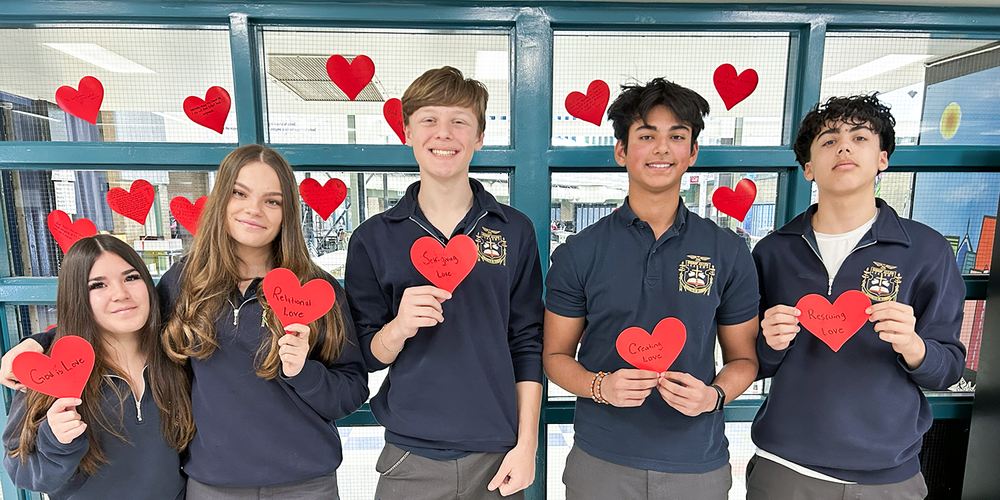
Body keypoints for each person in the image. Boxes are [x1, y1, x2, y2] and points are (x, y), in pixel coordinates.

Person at [5, 145, 369, 498]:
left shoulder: (317, 293)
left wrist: (303, 373)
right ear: (221, 199)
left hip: (305, 484)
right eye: (240, 193)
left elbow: (351, 392)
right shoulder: (183, 283)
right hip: (212, 485)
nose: (254, 210)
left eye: (272, 200)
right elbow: (123, 322)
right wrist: (38, 343)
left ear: (288, 211)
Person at [543, 78, 760, 500]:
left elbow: (744, 360)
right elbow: (554, 357)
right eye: (647, 135)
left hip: (697, 464)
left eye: (676, 136)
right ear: (622, 150)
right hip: (600, 462)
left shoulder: (728, 250)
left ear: (692, 151)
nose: (662, 149)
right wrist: (598, 386)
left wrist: (713, 396)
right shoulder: (579, 252)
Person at [746, 94, 966, 499]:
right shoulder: (774, 251)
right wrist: (770, 345)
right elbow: (751, 364)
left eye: (860, 137)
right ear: (809, 167)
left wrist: (914, 346)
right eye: (829, 140)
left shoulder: (927, 250)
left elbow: (948, 368)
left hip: (890, 476)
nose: (844, 146)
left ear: (882, 158)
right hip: (786, 470)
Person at [344, 66, 544, 499]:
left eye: (459, 121)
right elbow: (368, 355)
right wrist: (398, 327)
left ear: (479, 137)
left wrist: (527, 444)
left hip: (497, 453)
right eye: (429, 120)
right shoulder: (374, 238)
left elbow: (527, 343)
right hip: (410, 453)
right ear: (407, 132)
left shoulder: (515, 230)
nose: (444, 133)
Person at [3, 235, 195, 499]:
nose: (121, 294)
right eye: (98, 285)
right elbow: (22, 472)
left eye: (131, 277)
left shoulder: (175, 356)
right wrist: (56, 441)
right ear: (77, 297)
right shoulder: (51, 374)